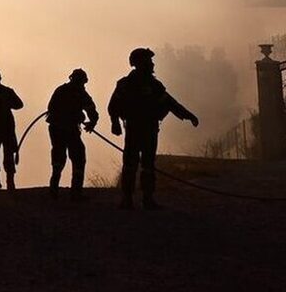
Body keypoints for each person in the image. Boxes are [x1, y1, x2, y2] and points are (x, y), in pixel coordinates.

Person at [107, 48, 199, 209]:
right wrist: (114, 123)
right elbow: (113, 106)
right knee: (130, 165)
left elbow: (170, 103)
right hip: (135, 129)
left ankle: (147, 199)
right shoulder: (125, 85)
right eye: (149, 61)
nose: (152, 64)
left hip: (149, 129)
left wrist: (188, 115)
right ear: (140, 63)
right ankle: (127, 199)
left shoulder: (153, 85)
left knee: (148, 166)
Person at [47, 68, 100, 201]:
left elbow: (51, 109)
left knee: (59, 158)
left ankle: (54, 191)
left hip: (57, 129)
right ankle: (75, 193)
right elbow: (91, 110)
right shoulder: (80, 93)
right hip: (68, 130)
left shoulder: (61, 90)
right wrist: (90, 122)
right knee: (78, 158)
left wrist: (89, 121)